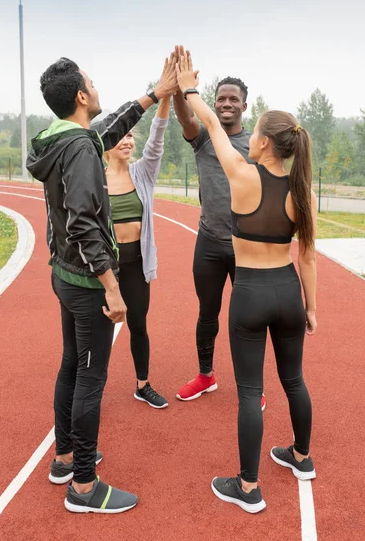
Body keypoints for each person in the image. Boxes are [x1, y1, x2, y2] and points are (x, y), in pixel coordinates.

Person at [26, 55, 177, 514]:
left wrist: (155, 94)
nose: (96, 86)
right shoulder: (79, 151)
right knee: (90, 379)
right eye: (91, 82)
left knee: (71, 364)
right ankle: (85, 487)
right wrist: (113, 288)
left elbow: (107, 131)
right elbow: (85, 225)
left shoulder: (64, 140)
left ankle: (65, 459)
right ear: (81, 96)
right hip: (89, 284)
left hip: (64, 275)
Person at [176, 52, 317, 513]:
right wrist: (311, 308)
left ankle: (249, 487)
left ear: (264, 145)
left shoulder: (241, 175)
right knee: (294, 380)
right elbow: (309, 257)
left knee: (251, 392)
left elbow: (213, 129)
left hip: (252, 294)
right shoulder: (301, 191)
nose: (248, 137)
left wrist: (189, 88)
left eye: (255, 132)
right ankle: (301, 457)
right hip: (289, 291)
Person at [173, 46, 266, 411]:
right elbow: (186, 120)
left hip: (246, 246)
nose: (226, 103)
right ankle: (206, 375)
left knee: (248, 319)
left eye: (233, 99)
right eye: (221, 98)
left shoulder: (257, 146)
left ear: (244, 105)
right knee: (207, 313)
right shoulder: (203, 138)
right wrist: (183, 91)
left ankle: (252, 386)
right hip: (209, 242)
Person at [104, 58, 176, 409]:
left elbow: (158, 136)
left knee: (139, 325)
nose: (128, 140)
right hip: (104, 267)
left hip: (136, 265)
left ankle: (142, 383)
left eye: (131, 134)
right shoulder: (94, 180)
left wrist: (166, 94)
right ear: (105, 143)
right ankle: (92, 389)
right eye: (121, 135)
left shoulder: (142, 174)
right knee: (100, 331)